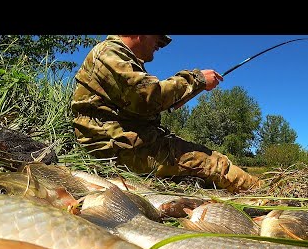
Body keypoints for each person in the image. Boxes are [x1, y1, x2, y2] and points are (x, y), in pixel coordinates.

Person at [70, 35, 262, 193]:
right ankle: (265, 194)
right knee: (213, 164)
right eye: (157, 39)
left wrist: (181, 95)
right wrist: (197, 79)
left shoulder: (120, 58)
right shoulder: (108, 52)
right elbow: (147, 96)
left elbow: (141, 104)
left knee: (199, 155)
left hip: (124, 142)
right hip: (116, 148)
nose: (159, 46)